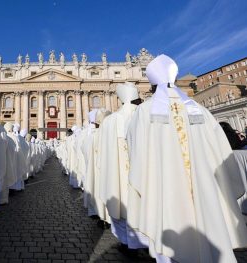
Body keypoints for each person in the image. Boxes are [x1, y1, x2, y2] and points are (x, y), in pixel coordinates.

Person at [127, 54, 247, 262]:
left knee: (171, 250)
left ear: (152, 83)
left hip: (166, 192)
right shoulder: (201, 111)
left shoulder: (143, 112)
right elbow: (223, 157)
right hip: (207, 194)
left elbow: (136, 155)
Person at [98, 82, 142, 248]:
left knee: (123, 205)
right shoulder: (148, 114)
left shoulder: (110, 121)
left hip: (121, 177)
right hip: (147, 177)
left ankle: (128, 243)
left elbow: (100, 154)